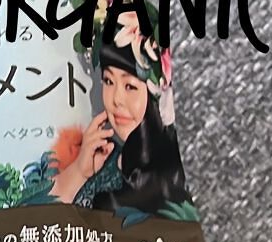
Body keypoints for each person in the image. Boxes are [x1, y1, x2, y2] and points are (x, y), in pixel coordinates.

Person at [49, 33, 189, 216]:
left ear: (159, 91)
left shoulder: (180, 172)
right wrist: (79, 172)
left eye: (130, 86)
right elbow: (23, 221)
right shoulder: (102, 159)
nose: (116, 99)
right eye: (108, 81)